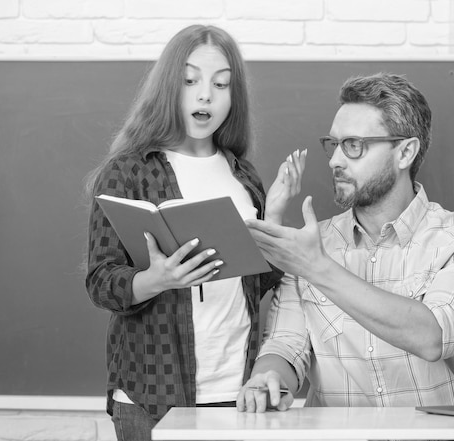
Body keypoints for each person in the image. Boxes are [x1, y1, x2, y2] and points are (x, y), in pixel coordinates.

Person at [84, 24, 306, 440]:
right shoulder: (128, 171)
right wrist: (155, 280)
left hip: (237, 392)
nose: (206, 94)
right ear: (170, 87)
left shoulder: (242, 176)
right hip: (151, 397)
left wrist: (273, 214)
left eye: (221, 84)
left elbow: (254, 285)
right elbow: (99, 282)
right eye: (190, 81)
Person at [237, 72, 454, 413]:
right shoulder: (312, 245)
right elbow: (285, 346)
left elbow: (433, 337)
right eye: (333, 144)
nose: (334, 160)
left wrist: (318, 269)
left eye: (353, 145)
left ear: (405, 152)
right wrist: (266, 378)